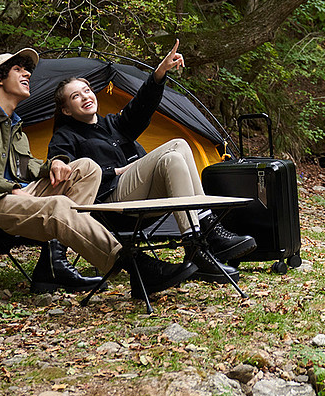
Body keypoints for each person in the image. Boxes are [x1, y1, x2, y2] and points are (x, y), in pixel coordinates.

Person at [0, 48, 153, 300]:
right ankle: (134, 264)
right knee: (59, 206)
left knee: (86, 168)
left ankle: (54, 261)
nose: (27, 73)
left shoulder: (15, 124)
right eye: (17, 69)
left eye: (27, 69)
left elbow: (26, 165)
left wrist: (53, 166)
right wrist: (8, 188)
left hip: (16, 194)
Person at [48, 40, 256, 286]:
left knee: (173, 158)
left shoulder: (113, 125)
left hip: (141, 201)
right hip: (110, 207)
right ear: (67, 110)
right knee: (178, 144)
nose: (85, 97)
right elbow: (67, 176)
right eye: (75, 96)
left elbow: (140, 108)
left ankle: (196, 247)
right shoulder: (65, 136)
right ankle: (209, 229)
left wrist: (159, 73)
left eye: (87, 90)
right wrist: (113, 171)